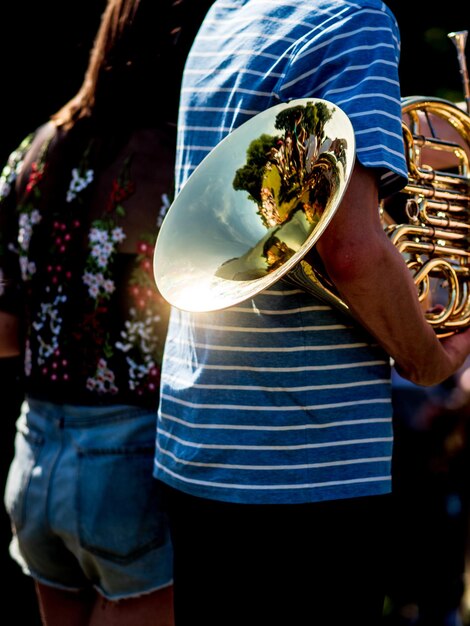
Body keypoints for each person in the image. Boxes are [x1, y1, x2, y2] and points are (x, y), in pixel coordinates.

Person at [152, 2, 470, 625]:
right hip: (306, 461)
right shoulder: (355, 17)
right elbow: (352, 251)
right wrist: (429, 359)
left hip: (196, 442)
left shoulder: (225, 14)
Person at [0, 0, 213, 624]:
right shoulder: (181, 160)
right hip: (130, 464)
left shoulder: (34, 152)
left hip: (34, 455)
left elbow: (6, 333)